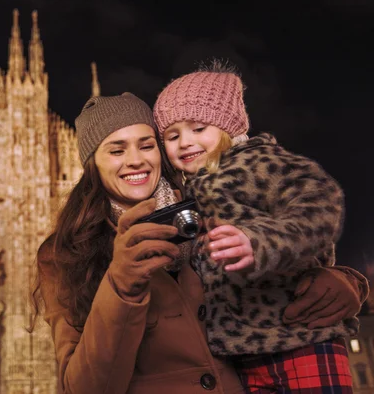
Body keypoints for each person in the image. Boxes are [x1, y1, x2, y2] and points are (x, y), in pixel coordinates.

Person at [31, 92, 369, 394]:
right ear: (93, 164)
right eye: (116, 150)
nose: (135, 160)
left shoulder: (209, 204)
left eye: (147, 145)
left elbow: (281, 252)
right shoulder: (66, 253)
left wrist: (343, 281)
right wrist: (120, 285)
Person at [153, 60, 360, 392]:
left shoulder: (261, 163)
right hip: (242, 353)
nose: (185, 142)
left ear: (228, 128)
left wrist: (259, 242)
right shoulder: (190, 193)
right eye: (172, 135)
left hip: (301, 338)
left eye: (199, 128)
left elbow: (321, 203)